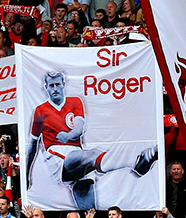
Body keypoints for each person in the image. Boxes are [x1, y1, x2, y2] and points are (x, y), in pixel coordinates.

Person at [27, 69, 157, 209]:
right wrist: (26, 176)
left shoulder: (75, 101)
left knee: (89, 210)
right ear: (46, 87)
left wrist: (69, 135)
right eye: (51, 85)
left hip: (77, 154)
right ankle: (136, 161)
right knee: (92, 154)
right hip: (56, 156)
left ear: (63, 84)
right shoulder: (40, 111)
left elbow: (79, 128)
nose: (55, 88)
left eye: (57, 84)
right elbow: (32, 146)